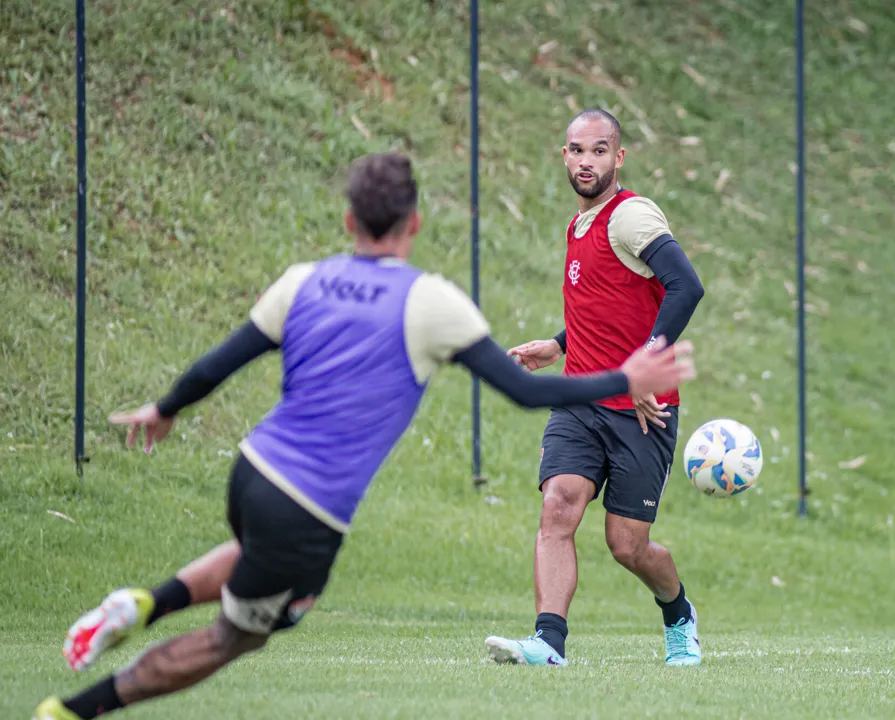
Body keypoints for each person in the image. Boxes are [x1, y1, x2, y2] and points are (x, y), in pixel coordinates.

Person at [33, 151, 696, 719]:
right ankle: (72, 709)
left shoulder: (304, 279)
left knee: (252, 554)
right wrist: (624, 377)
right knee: (236, 638)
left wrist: (166, 408)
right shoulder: (430, 302)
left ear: (349, 221)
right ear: (414, 224)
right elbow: (524, 392)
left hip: (253, 470)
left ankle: (147, 599)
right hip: (311, 508)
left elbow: (218, 364)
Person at [484, 110, 706, 668]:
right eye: (577, 151)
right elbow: (608, 303)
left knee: (627, 545)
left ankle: (678, 613)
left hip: (643, 411)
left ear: (619, 158)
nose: (587, 162)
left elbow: (686, 286)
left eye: (600, 151)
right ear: (564, 156)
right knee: (558, 507)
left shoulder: (630, 215)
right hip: (581, 398)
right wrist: (559, 345)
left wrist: (644, 365)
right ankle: (548, 643)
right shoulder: (578, 225)